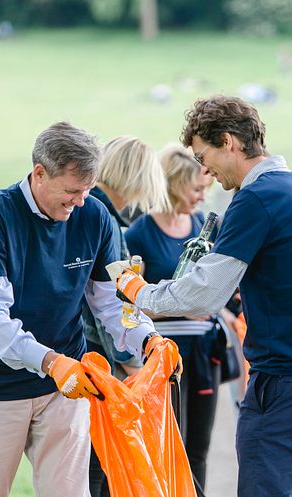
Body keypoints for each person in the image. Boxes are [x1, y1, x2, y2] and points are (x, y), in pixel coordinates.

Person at [116, 95, 292, 497]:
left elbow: (204, 295)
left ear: (229, 142)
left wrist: (138, 291)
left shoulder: (255, 199)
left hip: (287, 377)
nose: (203, 169)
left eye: (204, 155)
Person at [0, 122, 160, 497]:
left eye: (86, 191)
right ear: (39, 174)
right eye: (71, 191)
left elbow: (111, 302)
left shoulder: (95, 217)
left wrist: (148, 339)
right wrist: (50, 362)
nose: (80, 202)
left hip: (65, 388)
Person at [124, 143, 225, 491]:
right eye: (196, 189)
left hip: (203, 353)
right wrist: (184, 307)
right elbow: (129, 302)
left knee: (199, 448)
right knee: (168, 446)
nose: (201, 197)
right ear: (173, 185)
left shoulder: (203, 227)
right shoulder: (138, 234)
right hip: (162, 353)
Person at [83, 135, 169, 497]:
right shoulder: (107, 225)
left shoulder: (87, 212)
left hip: (82, 358)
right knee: (100, 469)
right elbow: (110, 306)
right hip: (99, 362)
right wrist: (134, 360)